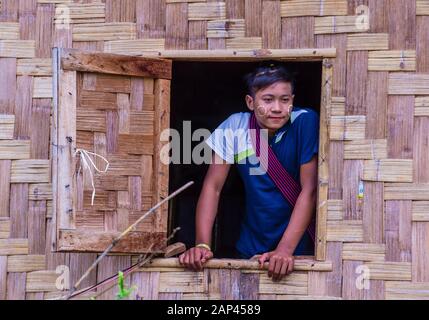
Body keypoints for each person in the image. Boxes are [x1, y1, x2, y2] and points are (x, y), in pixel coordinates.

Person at [178, 63, 319, 281]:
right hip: (251, 245)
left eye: (285, 99)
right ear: (250, 102)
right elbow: (212, 187)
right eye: (268, 99)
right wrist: (202, 245)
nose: (277, 108)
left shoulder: (305, 122)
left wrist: (284, 250)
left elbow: (309, 190)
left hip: (298, 247)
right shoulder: (235, 127)